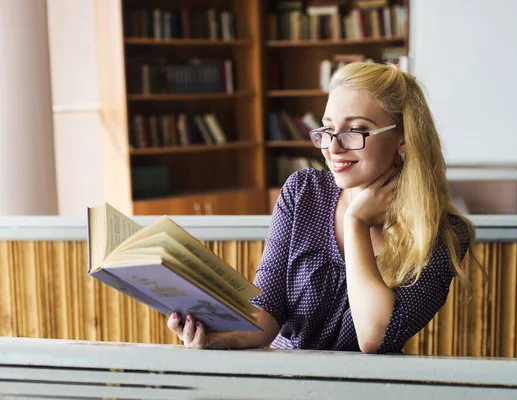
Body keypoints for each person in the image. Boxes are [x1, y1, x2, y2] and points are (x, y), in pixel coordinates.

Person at [168, 61, 478, 354]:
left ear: (403, 138)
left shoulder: (442, 233)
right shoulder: (303, 192)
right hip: (287, 383)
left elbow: (375, 338)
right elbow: (268, 312)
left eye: (355, 130)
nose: (333, 147)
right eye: (328, 129)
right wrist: (220, 338)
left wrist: (356, 222)